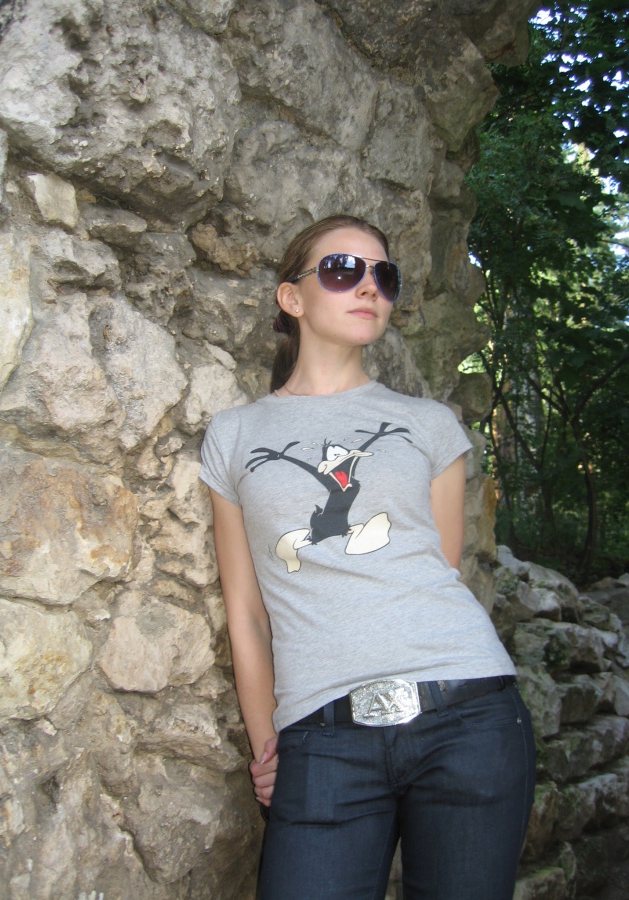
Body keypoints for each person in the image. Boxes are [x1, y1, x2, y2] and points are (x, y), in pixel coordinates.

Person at [199, 215, 535, 900]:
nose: (368, 287)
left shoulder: (429, 423)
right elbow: (247, 613)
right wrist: (267, 744)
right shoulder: (234, 435)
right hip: (322, 738)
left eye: (383, 275)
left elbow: (439, 572)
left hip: (468, 715)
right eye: (342, 270)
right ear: (291, 297)